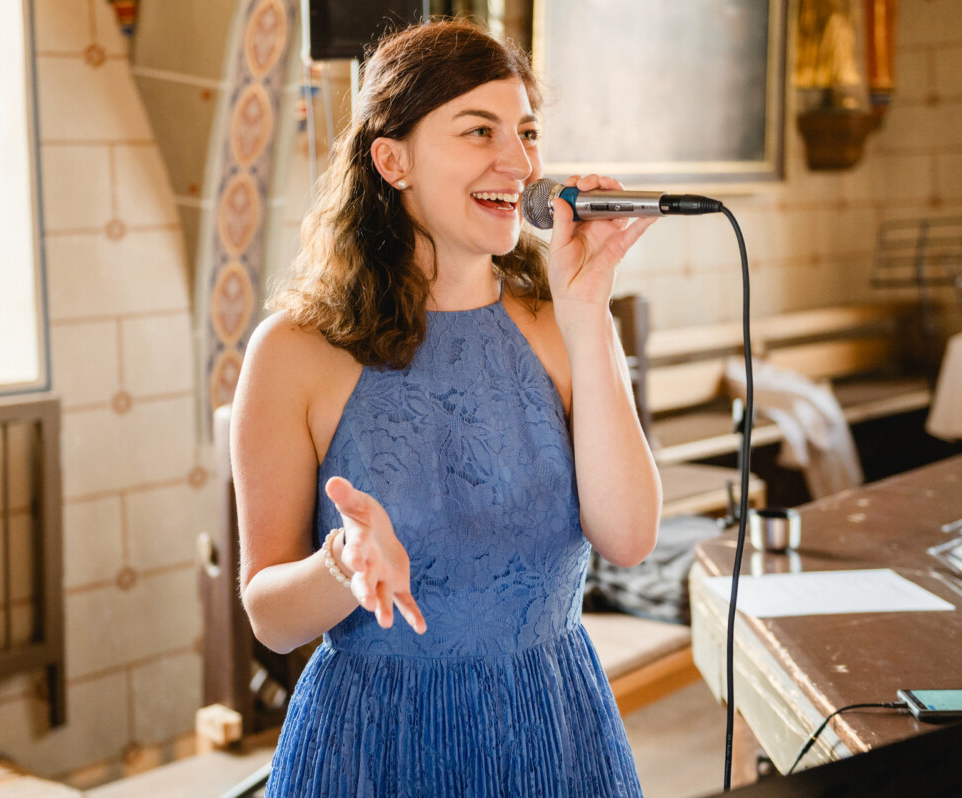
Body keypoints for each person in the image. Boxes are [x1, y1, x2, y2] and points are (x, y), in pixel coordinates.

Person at [230, 18, 662, 797]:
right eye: (479, 130)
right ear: (392, 160)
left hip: (551, 729)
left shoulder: (561, 321)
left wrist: (587, 308)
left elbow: (628, 538)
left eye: (527, 131)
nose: (521, 161)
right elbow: (269, 615)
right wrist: (341, 568)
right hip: (373, 743)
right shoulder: (292, 352)